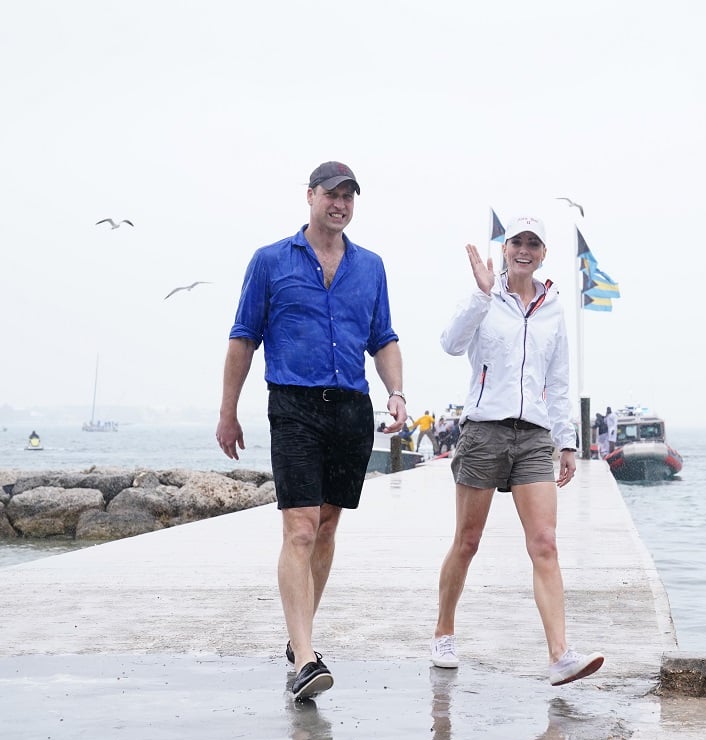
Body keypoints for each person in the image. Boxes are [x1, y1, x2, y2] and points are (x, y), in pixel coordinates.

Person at [216, 161, 407, 701]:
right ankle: (305, 657)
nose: (340, 204)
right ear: (310, 196)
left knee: (326, 529)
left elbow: (384, 337)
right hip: (293, 405)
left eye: (349, 196)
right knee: (299, 528)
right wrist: (228, 411)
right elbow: (242, 338)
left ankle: (298, 638)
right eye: (331, 194)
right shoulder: (271, 260)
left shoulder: (370, 267)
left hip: (351, 408)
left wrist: (396, 391)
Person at [432, 214, 603, 687]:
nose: (524, 250)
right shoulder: (487, 298)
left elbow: (558, 381)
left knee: (545, 544)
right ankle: (444, 630)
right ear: (505, 249)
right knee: (467, 542)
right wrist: (481, 294)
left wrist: (566, 442)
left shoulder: (552, 309)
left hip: (533, 438)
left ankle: (560, 655)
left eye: (534, 243)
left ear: (544, 252)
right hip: (484, 433)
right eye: (516, 243)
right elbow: (450, 344)